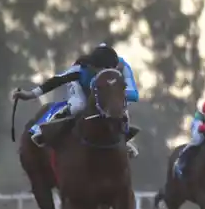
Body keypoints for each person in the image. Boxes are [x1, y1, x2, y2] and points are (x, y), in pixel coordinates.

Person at [13, 43, 141, 157]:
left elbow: (134, 95)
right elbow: (57, 80)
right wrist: (30, 94)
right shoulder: (81, 70)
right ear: (92, 66)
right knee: (78, 106)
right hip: (81, 88)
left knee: (118, 105)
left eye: (110, 70)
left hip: (107, 93)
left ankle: (125, 139)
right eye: (101, 70)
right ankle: (50, 124)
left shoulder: (123, 68)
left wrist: (114, 96)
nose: (105, 74)